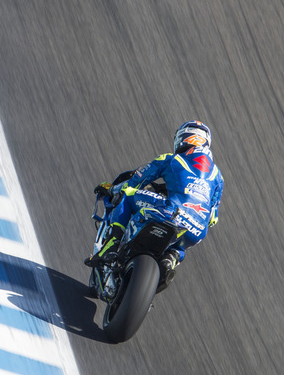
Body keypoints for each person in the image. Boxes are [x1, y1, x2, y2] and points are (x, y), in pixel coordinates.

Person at [85, 120, 224, 289]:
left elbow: (134, 183)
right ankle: (170, 258)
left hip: (170, 211)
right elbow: (212, 218)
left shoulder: (172, 159)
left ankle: (111, 246)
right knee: (182, 239)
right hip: (198, 230)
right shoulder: (218, 177)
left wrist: (112, 189)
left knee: (128, 196)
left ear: (183, 139)